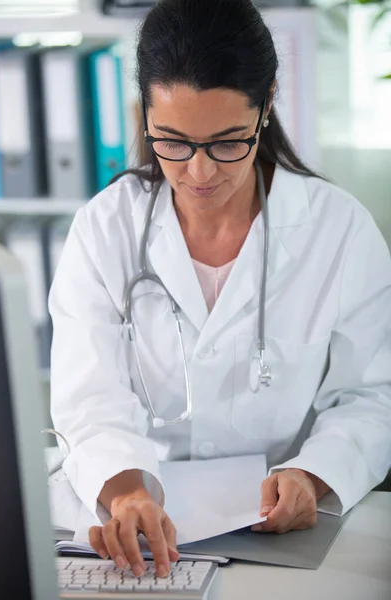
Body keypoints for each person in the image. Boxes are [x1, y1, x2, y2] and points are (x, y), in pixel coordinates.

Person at [49, 0, 391, 581]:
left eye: (229, 141)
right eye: (173, 142)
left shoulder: (339, 229)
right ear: (143, 115)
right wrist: (127, 491)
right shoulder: (105, 228)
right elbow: (89, 402)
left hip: (284, 542)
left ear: (268, 105)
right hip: (137, 534)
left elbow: (374, 396)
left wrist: (314, 476)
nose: (200, 173)